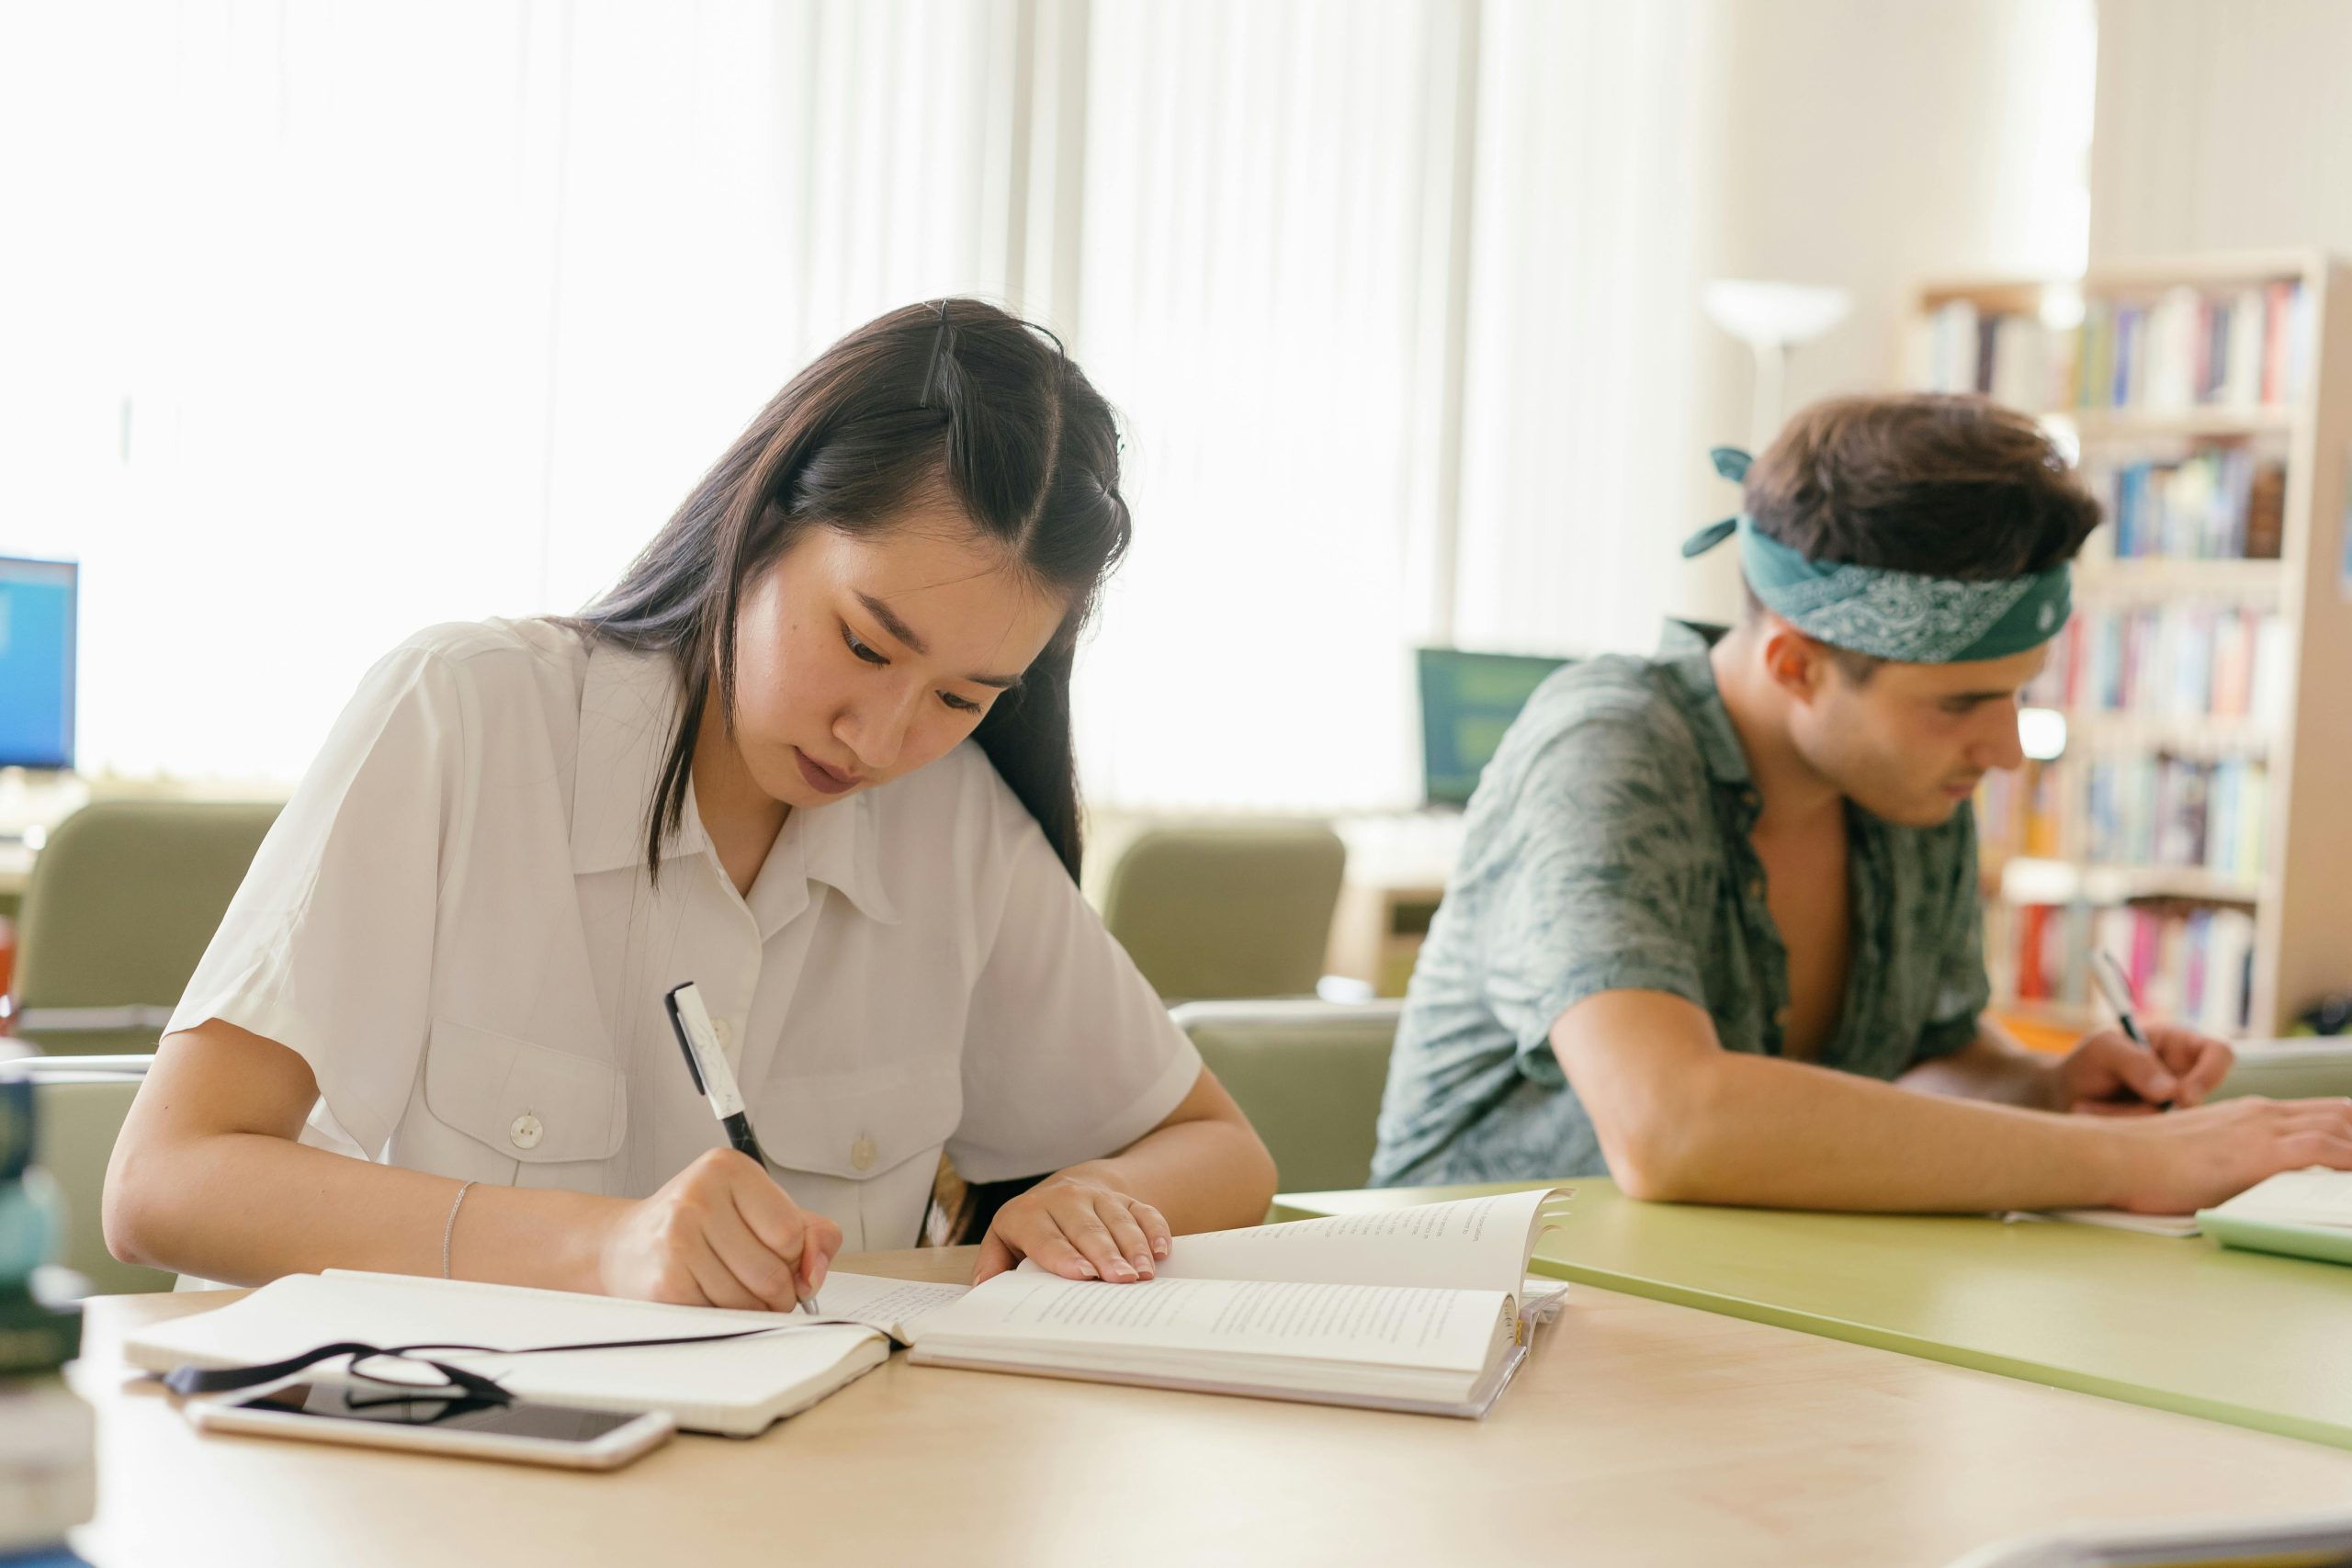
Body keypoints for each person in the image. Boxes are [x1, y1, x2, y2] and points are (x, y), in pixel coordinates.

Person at [105, 299, 1277, 1308]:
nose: (881, 739)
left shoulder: (952, 823)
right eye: (865, 645)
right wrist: (602, 1248)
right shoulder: (467, 712)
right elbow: (165, 1182)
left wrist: (1095, 1200)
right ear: (761, 521)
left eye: (964, 696)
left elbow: (1221, 1151)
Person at [1371, 393, 2352, 1213]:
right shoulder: (1607, 745)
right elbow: (1671, 1128)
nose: (2006, 750)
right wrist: (2142, 1165)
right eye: (1961, 702)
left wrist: (2048, 1088)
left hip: (1756, 1307)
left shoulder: (1901, 780)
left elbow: (1927, 1060)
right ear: (1795, 664)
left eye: (2015, 694)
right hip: (1474, 1320)